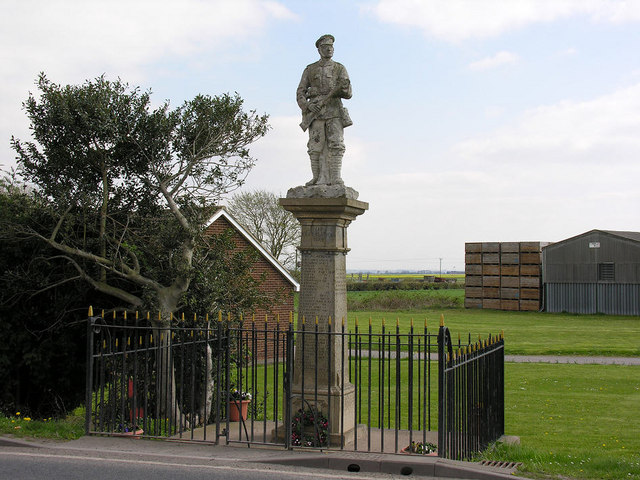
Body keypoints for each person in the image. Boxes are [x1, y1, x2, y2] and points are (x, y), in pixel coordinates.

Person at [296, 34, 352, 186]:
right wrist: (307, 106)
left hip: (334, 112)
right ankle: (316, 177)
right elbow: (300, 92)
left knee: (336, 144)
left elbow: (348, 93)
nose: (329, 49)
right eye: (326, 47)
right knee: (315, 146)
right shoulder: (310, 69)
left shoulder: (339, 68)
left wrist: (340, 90)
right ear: (319, 50)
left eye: (331, 47)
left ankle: (335, 177)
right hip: (316, 114)